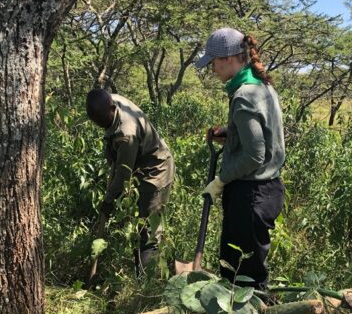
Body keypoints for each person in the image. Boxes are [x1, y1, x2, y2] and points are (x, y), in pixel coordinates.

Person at [195, 27, 286, 290]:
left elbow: (255, 155)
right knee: (247, 270)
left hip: (251, 194)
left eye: (213, 63)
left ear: (228, 60)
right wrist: (230, 133)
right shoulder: (262, 86)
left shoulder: (245, 96)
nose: (213, 70)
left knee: (241, 276)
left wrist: (220, 181)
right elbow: (263, 137)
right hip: (267, 190)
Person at [86, 88, 175, 275]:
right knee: (139, 225)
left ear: (112, 108)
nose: (102, 126)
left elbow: (123, 174)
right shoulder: (111, 101)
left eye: (104, 121)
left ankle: (147, 283)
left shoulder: (127, 133)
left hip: (156, 170)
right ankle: (142, 271)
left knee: (148, 230)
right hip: (139, 164)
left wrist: (109, 199)